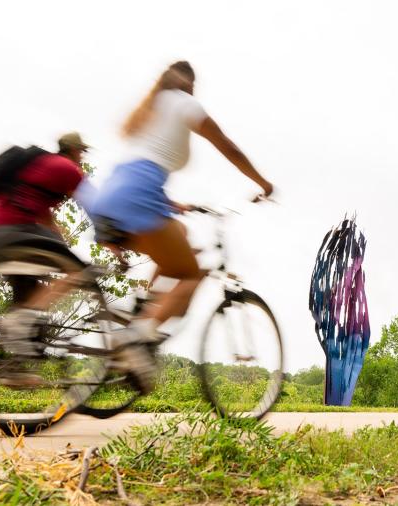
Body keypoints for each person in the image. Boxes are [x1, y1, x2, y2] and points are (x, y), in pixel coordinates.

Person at [87, 61, 273, 392]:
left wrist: (174, 205)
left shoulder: (150, 109)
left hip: (112, 197)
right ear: (187, 82)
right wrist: (262, 182)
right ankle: (135, 337)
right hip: (139, 194)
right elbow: (227, 146)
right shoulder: (184, 102)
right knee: (190, 274)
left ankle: (144, 309)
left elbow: (143, 165)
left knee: (182, 236)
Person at [0, 133, 91, 383]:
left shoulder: (41, 169)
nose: (82, 156)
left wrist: (64, 250)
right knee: (79, 273)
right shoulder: (67, 168)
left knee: (30, 295)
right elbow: (98, 207)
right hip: (12, 231)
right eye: (82, 151)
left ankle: (15, 367)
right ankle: (19, 326)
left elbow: (47, 222)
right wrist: (115, 239)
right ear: (74, 150)